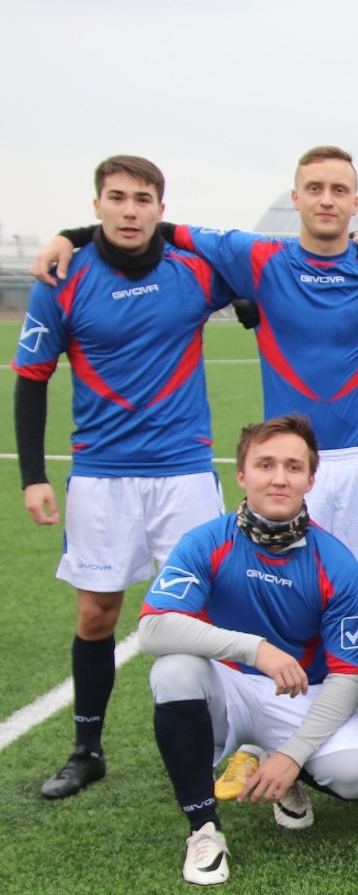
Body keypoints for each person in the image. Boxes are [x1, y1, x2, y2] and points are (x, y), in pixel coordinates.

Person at [36, 148, 358, 791]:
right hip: (291, 465)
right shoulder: (257, 255)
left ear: (355, 202)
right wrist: (73, 235)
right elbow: (158, 229)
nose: (326, 199)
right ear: (296, 196)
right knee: (259, 595)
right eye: (314, 187)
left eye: (338, 189)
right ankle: (253, 737)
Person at [13, 155, 231, 799]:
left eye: (142, 199)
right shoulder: (63, 277)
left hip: (184, 474)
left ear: (161, 208)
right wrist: (33, 476)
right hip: (101, 477)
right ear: (97, 205)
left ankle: (225, 743)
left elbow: (267, 274)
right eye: (117, 197)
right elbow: (31, 381)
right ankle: (87, 749)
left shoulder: (194, 270)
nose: (129, 210)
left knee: (204, 613)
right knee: (96, 613)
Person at [134, 415, 358, 885]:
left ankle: (282, 770)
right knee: (174, 671)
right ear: (242, 474)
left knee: (357, 772)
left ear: (310, 479)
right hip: (226, 687)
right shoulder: (206, 541)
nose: (279, 478)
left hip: (300, 693)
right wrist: (255, 649)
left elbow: (349, 675)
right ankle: (203, 829)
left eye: (293, 466)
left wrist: (293, 754)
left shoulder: (337, 564)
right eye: (266, 465)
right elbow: (152, 628)